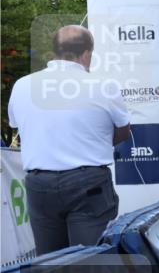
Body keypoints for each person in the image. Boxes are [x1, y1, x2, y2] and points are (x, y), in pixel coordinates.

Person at [7, 25, 131, 254]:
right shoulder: (105, 86)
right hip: (88, 183)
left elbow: (18, 126)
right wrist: (95, 142)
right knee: (90, 260)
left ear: (55, 51)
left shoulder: (22, 85)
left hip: (39, 184)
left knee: (50, 262)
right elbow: (124, 131)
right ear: (87, 53)